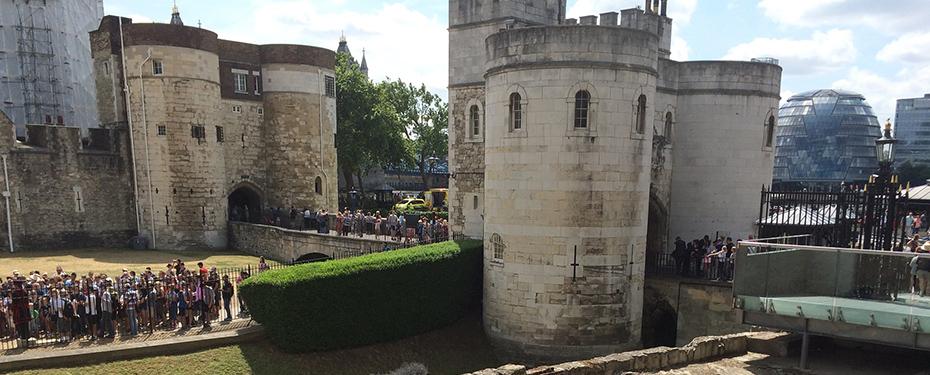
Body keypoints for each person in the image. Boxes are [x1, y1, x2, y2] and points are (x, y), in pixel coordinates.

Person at [10, 279, 30, 347]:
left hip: (18, 310)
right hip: (25, 309)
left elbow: (14, 303)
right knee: (25, 324)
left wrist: (12, 309)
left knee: (20, 324)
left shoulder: (15, 293)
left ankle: (23, 336)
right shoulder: (24, 292)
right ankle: (26, 336)